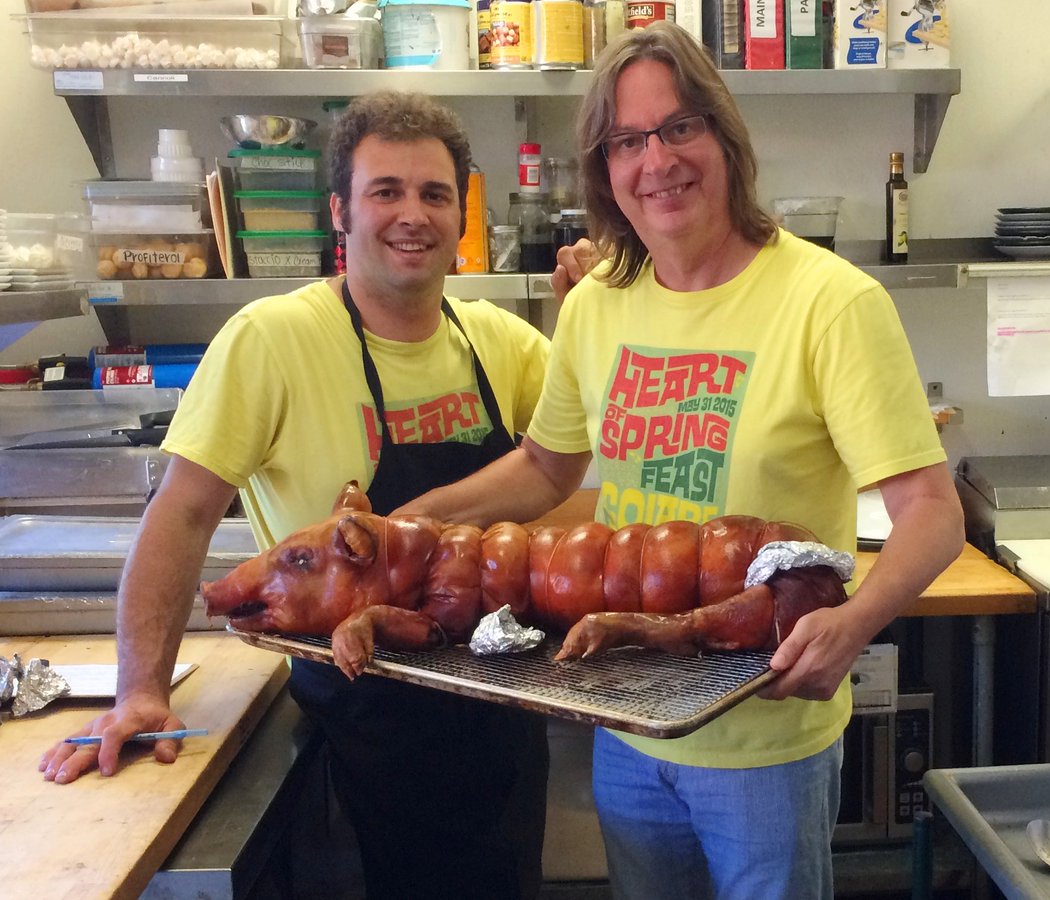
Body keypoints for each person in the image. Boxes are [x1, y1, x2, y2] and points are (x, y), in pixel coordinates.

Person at [394, 21, 965, 900]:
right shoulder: (596, 308)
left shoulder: (830, 302)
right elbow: (545, 469)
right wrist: (412, 524)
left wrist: (853, 624)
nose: (655, 160)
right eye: (626, 140)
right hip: (630, 719)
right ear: (605, 170)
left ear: (724, 136)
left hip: (763, 734)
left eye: (678, 127)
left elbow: (932, 509)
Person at [39, 90, 559, 900]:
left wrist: (600, 298)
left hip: (498, 704)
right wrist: (142, 689)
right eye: (385, 190)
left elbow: (576, 480)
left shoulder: (505, 343)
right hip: (360, 714)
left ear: (462, 215)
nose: (411, 214)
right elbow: (180, 514)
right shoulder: (272, 339)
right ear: (339, 212)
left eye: (434, 193)